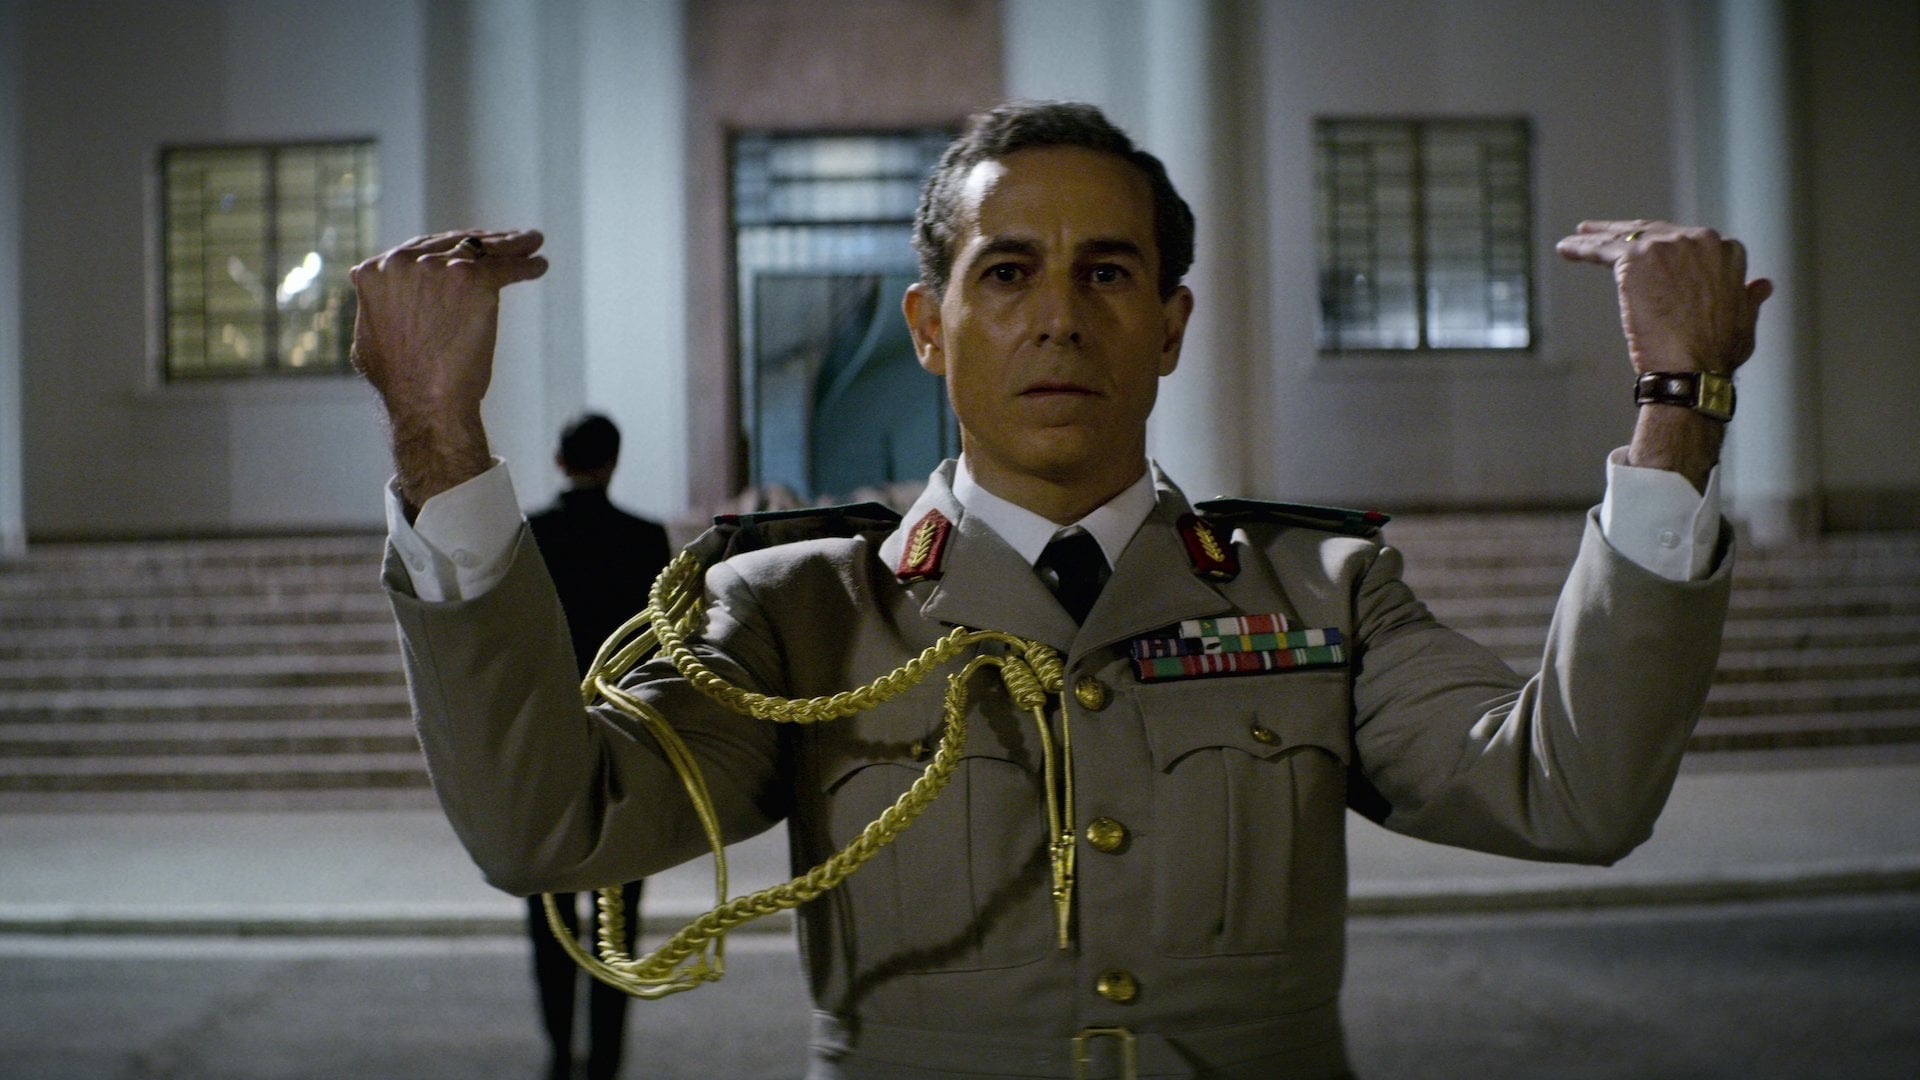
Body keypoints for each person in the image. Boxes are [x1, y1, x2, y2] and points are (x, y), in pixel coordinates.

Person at [354, 102, 1769, 1079]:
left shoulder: (1320, 595)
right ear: (930, 326)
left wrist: (1678, 412)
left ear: (1170, 324)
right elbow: (552, 826)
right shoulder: (801, 613)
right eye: (1008, 272)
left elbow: (1571, 793)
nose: (1057, 317)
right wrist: (437, 438)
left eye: (1107, 273)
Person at [521, 413, 669, 1080]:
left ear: (559, 460)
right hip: (623, 744)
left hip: (547, 743)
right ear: (613, 461)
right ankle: (606, 1060)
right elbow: (659, 648)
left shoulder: (531, 536)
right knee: (619, 916)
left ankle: (559, 1053)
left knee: (551, 910)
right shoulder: (644, 538)